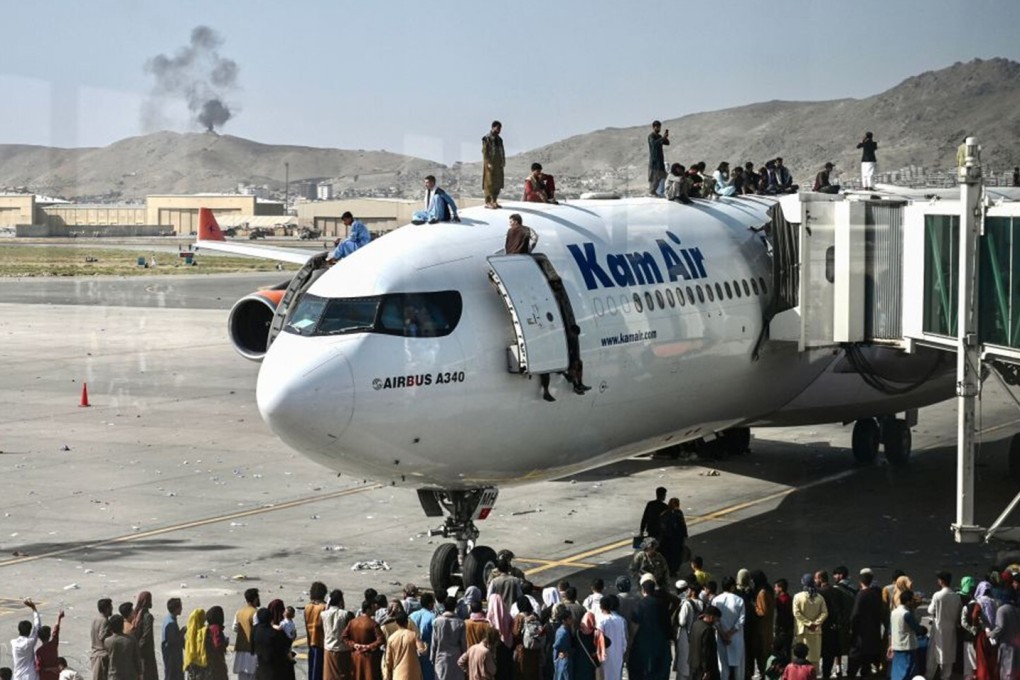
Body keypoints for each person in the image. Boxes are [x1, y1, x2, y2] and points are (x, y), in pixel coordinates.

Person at [847, 569, 884, 678]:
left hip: (860, 636)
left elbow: (855, 615)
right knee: (866, 666)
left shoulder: (861, 595)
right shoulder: (876, 594)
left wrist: (851, 630)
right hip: (873, 634)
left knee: (853, 666)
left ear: (860, 581)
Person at [927, 572, 963, 680]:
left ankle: (929, 676)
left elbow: (930, 610)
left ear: (941, 581)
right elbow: (959, 612)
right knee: (949, 654)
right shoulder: (956, 596)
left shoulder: (937, 595)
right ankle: (945, 677)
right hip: (951, 629)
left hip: (938, 629)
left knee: (933, 654)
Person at [713, 577, 747, 680]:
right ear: (732, 587)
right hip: (736, 637)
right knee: (738, 668)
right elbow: (741, 620)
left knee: (723, 667)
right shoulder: (739, 600)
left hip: (721, 637)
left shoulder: (716, 600)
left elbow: (715, 620)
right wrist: (731, 633)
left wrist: (723, 634)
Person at [343, 601, 386, 680]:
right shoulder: (373, 624)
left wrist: (353, 644)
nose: (375, 610)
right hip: (369, 657)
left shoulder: (352, 622)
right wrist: (369, 646)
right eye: (373, 608)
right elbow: (381, 640)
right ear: (368, 610)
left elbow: (344, 637)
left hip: (355, 655)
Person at [888, 589, 925, 680]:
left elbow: (890, 629)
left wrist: (890, 644)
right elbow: (917, 629)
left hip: (897, 646)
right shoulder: (907, 614)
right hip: (908, 646)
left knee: (897, 670)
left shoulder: (894, 612)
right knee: (908, 671)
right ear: (908, 602)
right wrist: (924, 630)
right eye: (912, 600)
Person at [792, 574, 827, 668]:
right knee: (814, 656)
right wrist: (815, 624)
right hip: (815, 631)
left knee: (801, 655)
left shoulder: (797, 597)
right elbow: (824, 613)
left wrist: (808, 623)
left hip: (802, 630)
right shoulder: (819, 597)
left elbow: (796, 613)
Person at [323, 589, 355, 680]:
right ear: (341, 601)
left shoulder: (323, 614)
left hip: (329, 649)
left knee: (329, 676)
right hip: (343, 649)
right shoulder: (346, 614)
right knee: (343, 675)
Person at [433, 597, 467, 680]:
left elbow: (434, 642)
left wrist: (432, 657)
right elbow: (463, 644)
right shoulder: (460, 623)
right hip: (456, 657)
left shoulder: (437, 622)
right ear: (455, 606)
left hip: (441, 657)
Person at [816, 571, 842, 680]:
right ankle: (827, 674)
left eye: (816, 578)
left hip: (823, 626)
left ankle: (819, 673)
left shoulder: (819, 592)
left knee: (820, 651)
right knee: (830, 653)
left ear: (821, 579)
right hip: (834, 626)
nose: (815, 581)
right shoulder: (836, 591)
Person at [252, 608, 291, 680]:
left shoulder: (255, 629)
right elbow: (286, 645)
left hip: (261, 667)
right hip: (275, 669)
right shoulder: (275, 633)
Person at [750, 571, 775, 680]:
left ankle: (764, 674)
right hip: (768, 626)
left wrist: (752, 607)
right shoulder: (768, 589)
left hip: (761, 628)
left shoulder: (762, 593)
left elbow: (762, 611)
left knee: (762, 653)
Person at [674, 581, 702, 680]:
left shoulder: (687, 604)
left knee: (684, 666)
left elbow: (682, 621)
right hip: (698, 637)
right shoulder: (702, 603)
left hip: (686, 637)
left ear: (692, 591)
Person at [382, 613, 422, 680]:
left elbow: (388, 660)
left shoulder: (391, 639)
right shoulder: (413, 635)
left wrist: (387, 674)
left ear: (396, 623)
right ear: (407, 622)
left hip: (398, 674)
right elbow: (422, 650)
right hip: (413, 673)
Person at [989, 597, 1020, 680]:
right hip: (1017, 645)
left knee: (1006, 670)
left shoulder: (1001, 610)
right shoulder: (1017, 610)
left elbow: (1000, 627)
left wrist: (991, 634)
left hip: (1007, 645)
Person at [233, 589, 260, 680]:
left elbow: (234, 628)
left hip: (241, 648)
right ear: (255, 599)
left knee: (242, 676)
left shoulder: (239, 612)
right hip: (252, 650)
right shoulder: (255, 613)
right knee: (252, 675)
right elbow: (258, 630)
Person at [596, 596, 626, 680]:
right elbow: (623, 639)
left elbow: (599, 639)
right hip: (618, 654)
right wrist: (623, 651)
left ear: (601, 606)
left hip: (606, 654)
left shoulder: (601, 621)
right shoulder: (620, 620)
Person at [130, 592, 158, 680]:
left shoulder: (134, 614)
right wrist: (139, 648)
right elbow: (146, 635)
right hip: (146, 652)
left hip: (137, 649)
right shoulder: (147, 616)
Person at [659, 498, 688, 579]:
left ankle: (671, 570)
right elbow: (682, 525)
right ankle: (673, 570)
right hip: (673, 539)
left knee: (672, 556)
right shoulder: (675, 513)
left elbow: (682, 525)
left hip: (671, 539)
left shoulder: (666, 514)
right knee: (674, 556)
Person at [11, 599, 41, 680]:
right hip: (29, 675)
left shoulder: (13, 643)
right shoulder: (30, 642)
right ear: (29, 631)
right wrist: (34, 609)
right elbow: (37, 627)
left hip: (18, 676)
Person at [105, 615, 141, 680]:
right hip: (130, 675)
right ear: (122, 626)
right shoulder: (131, 640)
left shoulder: (108, 641)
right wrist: (139, 674)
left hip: (114, 676)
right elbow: (137, 659)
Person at [689, 606, 720, 680]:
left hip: (693, 663)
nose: (716, 622)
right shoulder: (708, 630)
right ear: (712, 617)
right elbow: (706, 652)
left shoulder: (696, 624)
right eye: (716, 619)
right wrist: (706, 670)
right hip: (704, 668)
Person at [306, 582, 329, 680]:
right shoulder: (324, 607)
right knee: (320, 670)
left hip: (311, 640)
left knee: (312, 669)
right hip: (321, 641)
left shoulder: (307, 607)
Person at [34, 610, 63, 680]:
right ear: (49, 635)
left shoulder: (39, 651)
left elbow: (39, 668)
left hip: (45, 677)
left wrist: (49, 669)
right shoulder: (53, 644)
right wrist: (59, 618)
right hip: (55, 676)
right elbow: (56, 631)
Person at [483, 121, 506, 209]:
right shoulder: (487, 138)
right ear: (493, 127)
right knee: (489, 183)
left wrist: (503, 161)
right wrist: (488, 163)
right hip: (490, 163)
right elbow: (485, 152)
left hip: (498, 164)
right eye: (498, 128)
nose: (499, 130)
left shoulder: (500, 139)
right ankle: (488, 201)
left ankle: (494, 201)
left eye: (500, 128)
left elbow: (502, 151)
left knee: (497, 182)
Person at [203, 607, 229, 680]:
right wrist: (225, 643)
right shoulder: (215, 628)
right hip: (217, 663)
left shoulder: (208, 628)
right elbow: (218, 645)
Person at [91, 599, 114, 680]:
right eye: (110, 606)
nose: (112, 608)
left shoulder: (96, 619)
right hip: (102, 656)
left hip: (95, 654)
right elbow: (102, 637)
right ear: (107, 608)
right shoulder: (104, 621)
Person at [163, 599, 185, 680]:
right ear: (176, 609)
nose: (182, 609)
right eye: (180, 607)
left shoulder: (169, 618)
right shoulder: (171, 623)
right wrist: (182, 633)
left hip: (172, 655)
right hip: (172, 656)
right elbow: (172, 640)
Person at [647, 121, 670, 197]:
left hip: (660, 159)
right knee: (654, 176)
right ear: (653, 127)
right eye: (657, 127)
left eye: (659, 127)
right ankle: (652, 191)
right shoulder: (651, 136)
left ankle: (653, 191)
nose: (658, 128)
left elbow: (667, 143)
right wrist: (662, 138)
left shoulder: (659, 136)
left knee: (661, 176)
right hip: (654, 160)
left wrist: (665, 137)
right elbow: (654, 144)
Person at [551, 611, 573, 680]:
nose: (572, 619)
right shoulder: (563, 632)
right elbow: (556, 645)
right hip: (563, 661)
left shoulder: (563, 629)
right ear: (564, 620)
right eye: (569, 618)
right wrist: (563, 652)